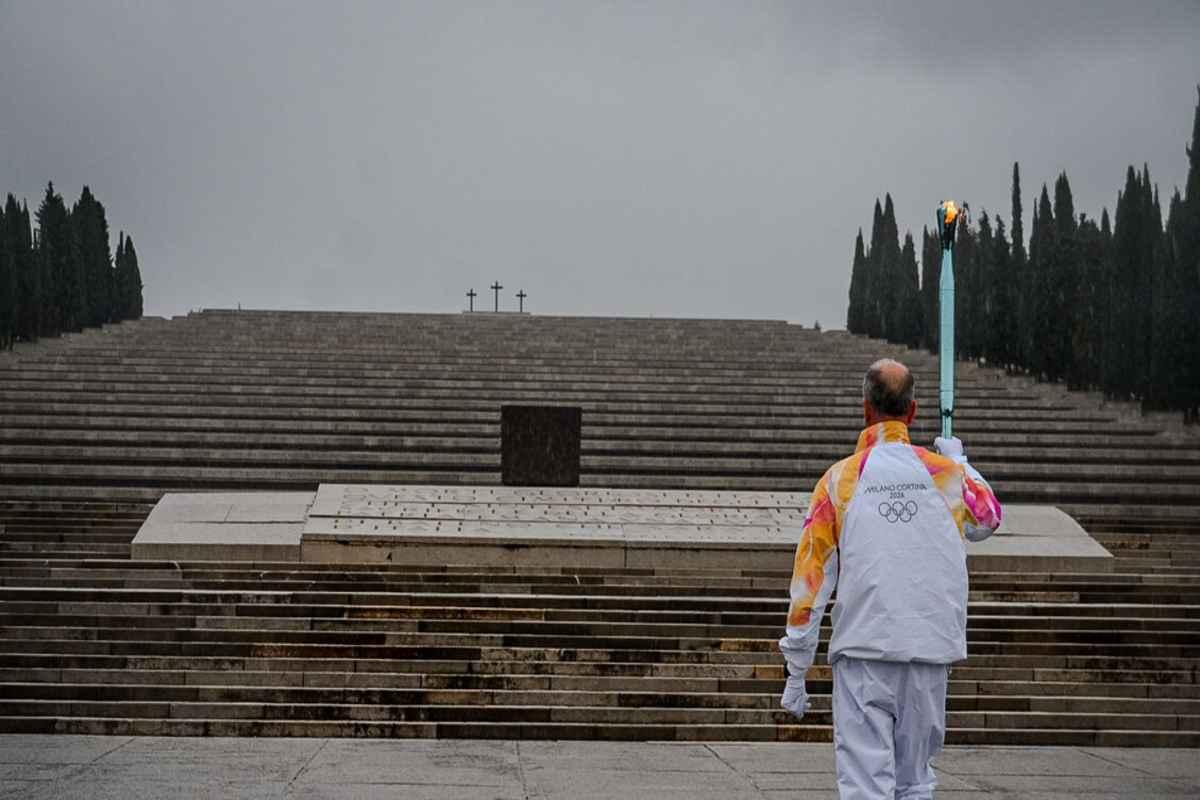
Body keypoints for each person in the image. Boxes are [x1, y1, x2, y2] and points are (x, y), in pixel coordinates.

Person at [778, 358, 1002, 800]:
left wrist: (796, 667)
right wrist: (962, 461)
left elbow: (811, 581)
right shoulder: (947, 475)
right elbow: (989, 517)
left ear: (865, 409)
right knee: (915, 783)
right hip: (929, 651)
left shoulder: (839, 480)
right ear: (913, 412)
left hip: (866, 652)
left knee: (865, 785)